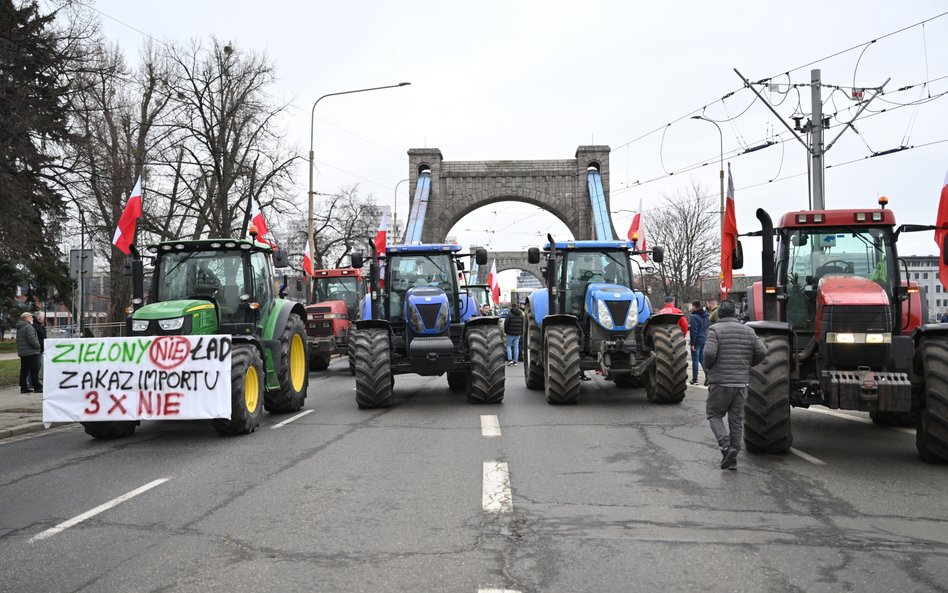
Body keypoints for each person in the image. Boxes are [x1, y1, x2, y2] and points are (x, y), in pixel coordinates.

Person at [702, 299, 767, 470]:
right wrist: (747, 365)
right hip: (741, 383)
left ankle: (725, 447)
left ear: (720, 314)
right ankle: (733, 457)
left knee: (714, 414)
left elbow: (709, 353)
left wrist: (708, 367)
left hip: (720, 382)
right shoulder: (748, 331)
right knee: (736, 419)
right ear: (734, 314)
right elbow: (762, 351)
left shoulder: (714, 329)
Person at [16, 311, 42, 393]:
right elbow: (32, 340)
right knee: (34, 370)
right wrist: (38, 346)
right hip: (31, 352)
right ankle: (37, 387)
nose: (32, 318)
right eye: (30, 317)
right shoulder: (28, 327)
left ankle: (23, 387)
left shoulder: (20, 327)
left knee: (24, 370)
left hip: (23, 353)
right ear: (25, 318)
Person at [688, 300, 708, 385]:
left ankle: (695, 379)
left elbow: (694, 331)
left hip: (697, 340)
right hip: (704, 338)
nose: (691, 307)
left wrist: (692, 343)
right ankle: (709, 377)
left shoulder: (694, 317)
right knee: (702, 359)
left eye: (691, 306)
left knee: (695, 360)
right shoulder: (706, 315)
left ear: (694, 306)